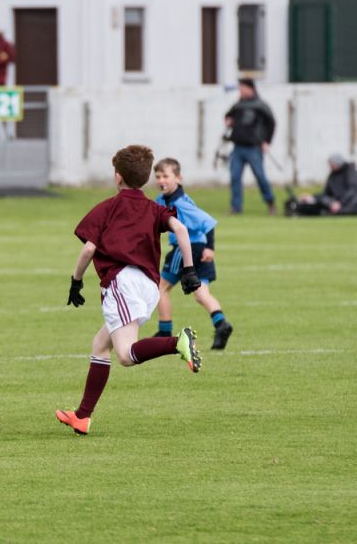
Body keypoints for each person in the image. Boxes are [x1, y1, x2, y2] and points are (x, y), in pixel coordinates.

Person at [56, 144, 202, 436]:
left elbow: (88, 249)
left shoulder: (108, 207)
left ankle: (177, 343)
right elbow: (182, 231)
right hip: (149, 286)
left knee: (125, 354)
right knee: (100, 345)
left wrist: (75, 280)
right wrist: (188, 269)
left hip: (122, 283)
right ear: (146, 178)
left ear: (117, 177)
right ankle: (82, 416)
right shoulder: (154, 208)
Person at [152, 158, 234, 350]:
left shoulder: (180, 203)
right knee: (201, 293)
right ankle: (221, 324)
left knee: (160, 288)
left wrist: (210, 248)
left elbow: (208, 222)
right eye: (157, 176)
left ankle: (165, 332)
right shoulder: (163, 200)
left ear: (178, 178)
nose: (161, 180)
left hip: (188, 249)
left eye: (166, 176)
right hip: (198, 248)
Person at [225, 78, 276, 214]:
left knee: (260, 176)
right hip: (237, 147)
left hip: (254, 147)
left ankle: (270, 202)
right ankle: (236, 207)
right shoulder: (238, 105)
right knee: (235, 177)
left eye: (242, 88)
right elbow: (229, 115)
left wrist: (267, 141)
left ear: (250, 89)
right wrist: (229, 120)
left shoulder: (260, 105)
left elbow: (271, 123)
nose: (240, 91)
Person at [289, 154, 357, 216]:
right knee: (317, 202)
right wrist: (312, 197)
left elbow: (352, 190)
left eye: (332, 164)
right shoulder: (332, 175)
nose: (330, 166)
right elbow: (326, 193)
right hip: (335, 203)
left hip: (349, 203)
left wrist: (340, 203)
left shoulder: (350, 173)